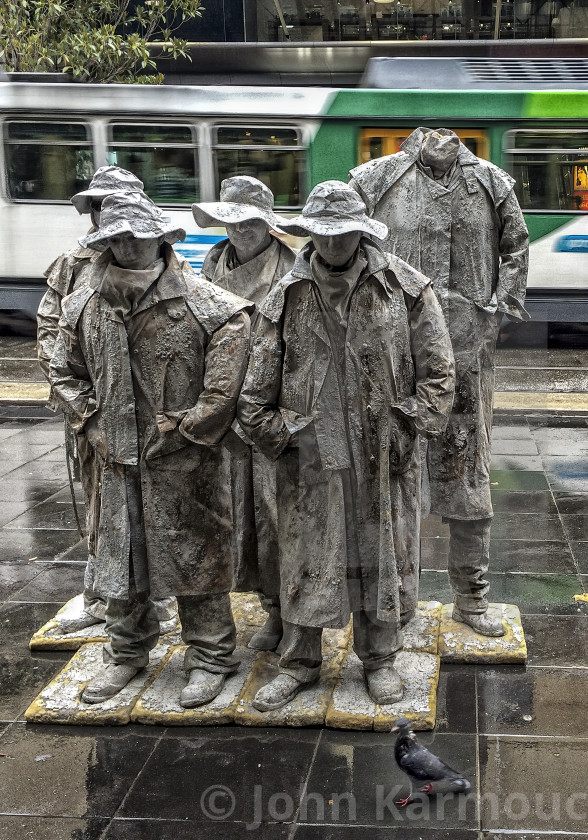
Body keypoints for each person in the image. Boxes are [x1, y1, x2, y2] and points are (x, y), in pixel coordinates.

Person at [238, 181, 455, 710]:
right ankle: (300, 662)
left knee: (381, 554)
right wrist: (286, 438)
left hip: (382, 458)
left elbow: (440, 375)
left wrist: (404, 429)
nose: (333, 246)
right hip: (310, 463)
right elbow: (254, 394)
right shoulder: (284, 297)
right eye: (323, 235)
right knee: (306, 557)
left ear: (362, 231)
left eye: (344, 235)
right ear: (309, 233)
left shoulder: (406, 289)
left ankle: (380, 659)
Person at [50, 192, 253, 709]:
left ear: (161, 237)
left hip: (183, 462)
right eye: (116, 236)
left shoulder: (210, 307)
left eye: (137, 235)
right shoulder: (83, 306)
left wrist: (187, 430)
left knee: (196, 556)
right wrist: (90, 421)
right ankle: (126, 653)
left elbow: (223, 389)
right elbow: (63, 374)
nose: (127, 245)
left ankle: (210, 657)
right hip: (112, 458)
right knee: (119, 557)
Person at [350, 126, 529, 637]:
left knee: (468, 480)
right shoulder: (375, 178)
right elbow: (342, 238)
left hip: (469, 356)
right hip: (395, 354)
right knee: (389, 479)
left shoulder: (493, 184)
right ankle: (394, 601)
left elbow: (517, 245)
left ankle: (471, 597)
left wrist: (499, 306)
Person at [36, 165, 144, 635]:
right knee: (100, 505)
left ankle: (153, 598)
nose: (107, 214)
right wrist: (80, 404)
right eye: (100, 205)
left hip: (146, 408)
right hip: (92, 409)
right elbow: (49, 332)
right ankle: (101, 596)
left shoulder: (152, 252)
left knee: (152, 505)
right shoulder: (71, 264)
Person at [192, 176, 296, 652]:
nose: (239, 233)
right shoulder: (210, 263)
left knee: (277, 518)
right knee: (232, 517)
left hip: (270, 408)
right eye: (231, 223)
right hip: (221, 409)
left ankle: (283, 612)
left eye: (249, 224)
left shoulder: (290, 268)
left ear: (266, 224)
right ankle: (254, 599)